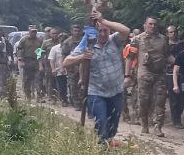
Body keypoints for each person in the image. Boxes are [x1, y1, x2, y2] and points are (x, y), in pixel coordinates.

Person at [63, 11, 131, 143]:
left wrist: (103, 20)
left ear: (109, 31)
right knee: (102, 122)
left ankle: (106, 142)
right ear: (95, 32)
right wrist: (82, 57)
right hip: (96, 92)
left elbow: (126, 30)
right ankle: (101, 149)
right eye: (100, 31)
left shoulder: (115, 41)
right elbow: (66, 62)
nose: (103, 34)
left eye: (105, 31)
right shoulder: (87, 45)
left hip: (116, 90)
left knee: (113, 124)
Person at [132, 17, 171, 136]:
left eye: (154, 24)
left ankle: (158, 126)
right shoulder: (137, 39)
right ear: (145, 25)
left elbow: (167, 55)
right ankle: (144, 123)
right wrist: (127, 74)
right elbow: (130, 57)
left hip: (160, 73)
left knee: (160, 100)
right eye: (150, 24)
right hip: (144, 73)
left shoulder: (163, 39)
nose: (152, 26)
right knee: (144, 100)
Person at [17, 26, 43, 101]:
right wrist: (21, 61)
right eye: (32, 31)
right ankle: (28, 95)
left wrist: (40, 64)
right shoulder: (24, 40)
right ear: (29, 31)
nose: (34, 33)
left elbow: (40, 52)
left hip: (36, 61)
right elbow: (19, 50)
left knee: (38, 79)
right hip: (27, 61)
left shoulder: (39, 40)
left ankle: (39, 96)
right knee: (27, 80)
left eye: (35, 31)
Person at [165, 25, 184, 128]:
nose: (173, 33)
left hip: (183, 73)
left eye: (175, 31)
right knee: (173, 99)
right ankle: (176, 120)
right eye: (171, 32)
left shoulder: (182, 44)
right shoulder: (166, 45)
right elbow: (168, 57)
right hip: (170, 73)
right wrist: (178, 62)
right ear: (167, 33)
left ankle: (179, 117)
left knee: (182, 98)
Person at [62, 24, 85, 109]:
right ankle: (76, 103)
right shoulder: (67, 42)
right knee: (73, 86)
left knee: (83, 85)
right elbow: (64, 55)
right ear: (71, 31)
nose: (77, 32)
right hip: (72, 67)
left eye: (78, 31)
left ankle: (83, 102)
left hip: (83, 67)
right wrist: (63, 67)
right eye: (75, 31)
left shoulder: (84, 41)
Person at [48, 37, 68, 105]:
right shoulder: (46, 43)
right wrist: (40, 63)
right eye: (53, 34)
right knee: (59, 86)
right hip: (58, 70)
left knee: (69, 86)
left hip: (69, 70)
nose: (54, 35)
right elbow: (39, 51)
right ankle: (61, 99)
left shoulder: (70, 47)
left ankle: (69, 99)